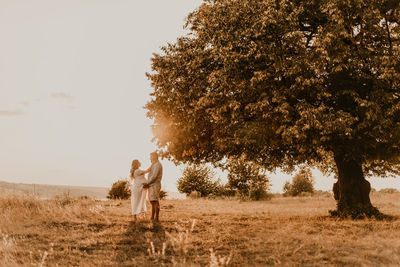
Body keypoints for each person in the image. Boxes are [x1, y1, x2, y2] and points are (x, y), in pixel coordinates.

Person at [143, 152, 163, 222]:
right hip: (152, 185)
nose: (150, 158)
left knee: (155, 201)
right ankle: (152, 217)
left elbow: (154, 176)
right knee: (152, 201)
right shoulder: (154, 164)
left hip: (155, 185)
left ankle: (156, 218)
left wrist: (147, 183)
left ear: (155, 156)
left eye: (151, 157)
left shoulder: (157, 165)